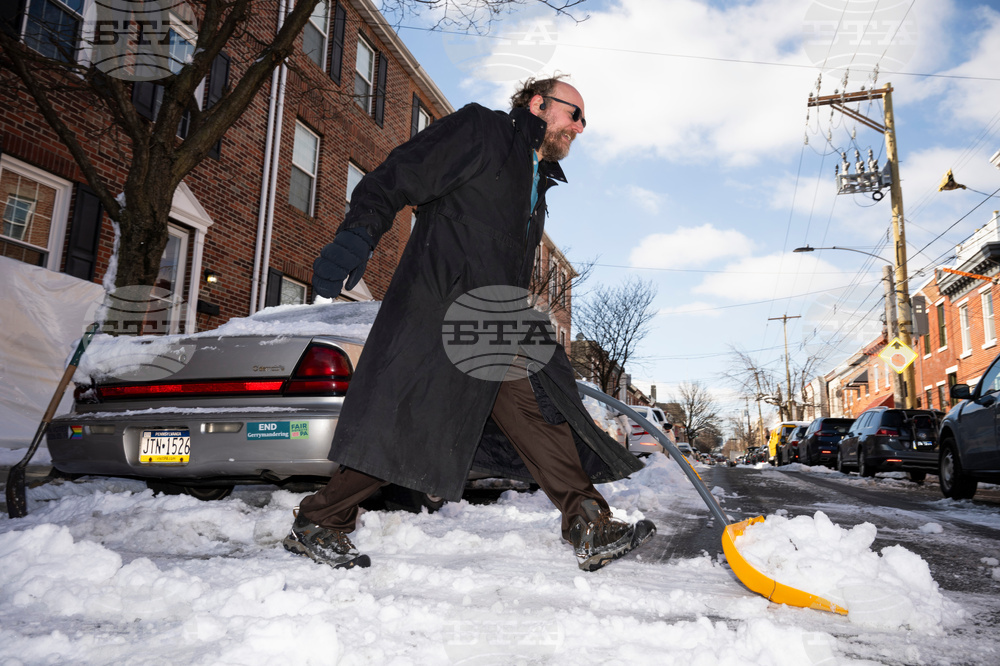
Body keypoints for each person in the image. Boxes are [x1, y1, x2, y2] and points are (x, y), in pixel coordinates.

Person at [283, 76, 656, 572]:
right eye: (575, 114)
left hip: (492, 323)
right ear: (538, 103)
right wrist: (358, 234)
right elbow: (396, 175)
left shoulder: (535, 181)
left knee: (537, 415)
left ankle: (589, 522)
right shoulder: (481, 130)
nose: (580, 128)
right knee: (409, 423)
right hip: (441, 310)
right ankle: (319, 520)